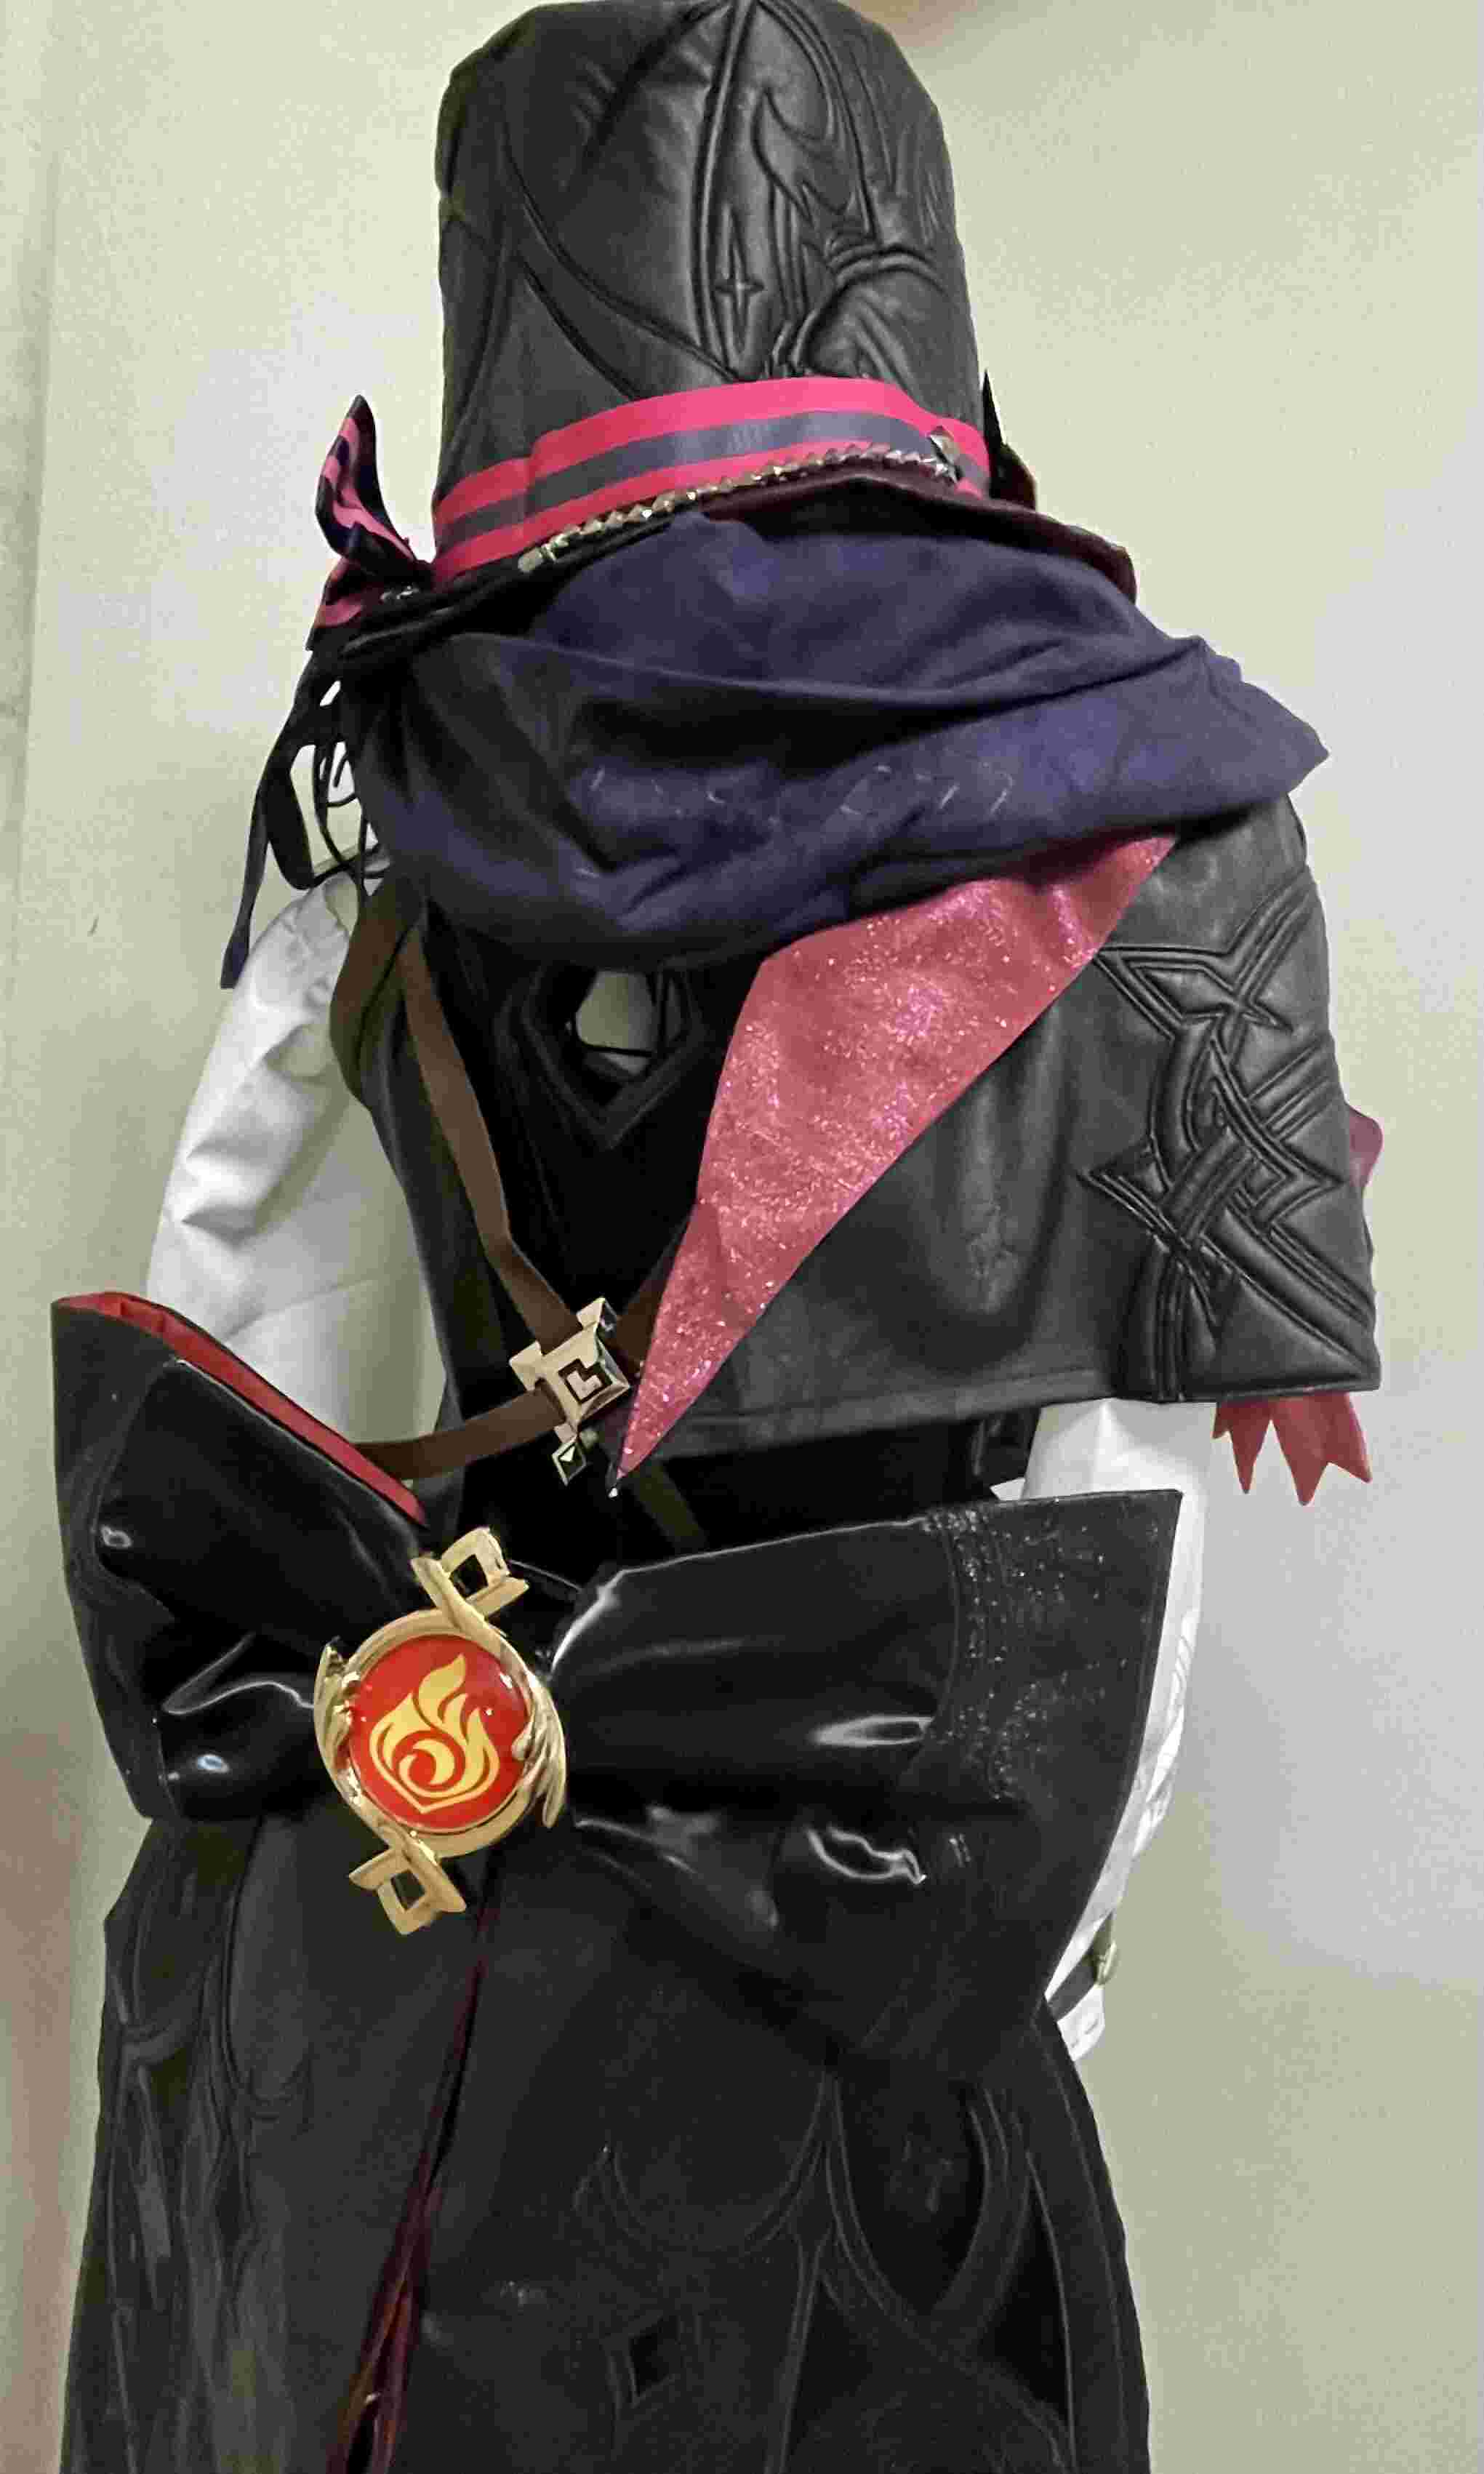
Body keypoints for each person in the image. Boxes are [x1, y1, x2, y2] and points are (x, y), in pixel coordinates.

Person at [52, 7, 1379, 2468]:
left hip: (405, 1925)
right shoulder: (1157, 846)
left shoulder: (388, 792)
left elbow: (251, 1361)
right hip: (854, 2000)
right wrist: (1022, 1984)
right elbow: (1110, 1584)